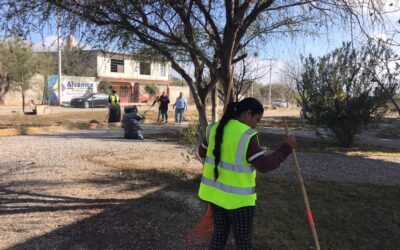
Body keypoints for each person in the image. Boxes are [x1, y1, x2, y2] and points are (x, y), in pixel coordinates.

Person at [197, 97, 297, 250]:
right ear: (247, 114)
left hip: (216, 196)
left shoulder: (214, 128)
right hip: (240, 202)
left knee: (219, 236)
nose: (257, 124)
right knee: (243, 243)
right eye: (257, 119)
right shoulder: (246, 135)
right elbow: (264, 165)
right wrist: (286, 148)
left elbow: (201, 152)